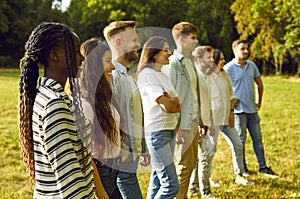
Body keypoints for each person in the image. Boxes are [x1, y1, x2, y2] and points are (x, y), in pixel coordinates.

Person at [18, 22, 96, 198]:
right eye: (75, 51)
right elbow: (71, 183)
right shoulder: (54, 105)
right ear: (54, 55)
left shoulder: (53, 96)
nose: (82, 59)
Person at [162, 22, 216, 199]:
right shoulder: (174, 64)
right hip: (182, 124)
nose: (196, 41)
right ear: (181, 39)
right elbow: (174, 96)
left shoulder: (189, 63)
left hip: (192, 121)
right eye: (193, 38)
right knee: (185, 167)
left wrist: (200, 119)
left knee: (191, 163)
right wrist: (178, 128)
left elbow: (193, 94)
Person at [103, 20, 150, 199]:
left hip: (131, 154)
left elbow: (135, 114)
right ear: (118, 42)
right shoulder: (111, 77)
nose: (138, 44)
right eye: (133, 40)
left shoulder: (127, 75)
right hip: (121, 159)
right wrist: (124, 152)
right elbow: (109, 120)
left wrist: (142, 147)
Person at [224, 39, 278, 178]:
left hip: (252, 111)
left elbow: (259, 83)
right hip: (238, 112)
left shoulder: (252, 65)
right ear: (235, 50)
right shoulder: (228, 68)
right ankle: (242, 169)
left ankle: (263, 167)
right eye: (242, 49)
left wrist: (259, 101)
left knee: (258, 140)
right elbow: (221, 87)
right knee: (239, 141)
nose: (246, 51)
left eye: (247, 49)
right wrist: (228, 101)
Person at [201, 47, 254, 186]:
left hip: (226, 118)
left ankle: (240, 174)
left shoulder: (225, 75)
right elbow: (205, 101)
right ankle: (207, 178)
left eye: (224, 59)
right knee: (211, 150)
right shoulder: (206, 77)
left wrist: (231, 114)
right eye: (221, 59)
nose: (223, 62)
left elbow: (231, 95)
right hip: (213, 121)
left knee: (238, 144)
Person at [78, 38, 124, 198]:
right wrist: (101, 193)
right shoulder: (85, 104)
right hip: (101, 172)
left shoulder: (104, 97)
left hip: (112, 170)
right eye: (107, 61)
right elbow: (84, 154)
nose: (112, 66)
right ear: (94, 66)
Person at [136, 36, 180, 199]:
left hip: (169, 130)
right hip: (158, 133)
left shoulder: (162, 75)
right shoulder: (147, 75)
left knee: (157, 180)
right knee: (170, 186)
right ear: (154, 53)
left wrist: (174, 103)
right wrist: (175, 103)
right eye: (166, 50)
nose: (170, 53)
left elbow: (176, 104)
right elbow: (168, 106)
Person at [187, 46, 217, 199]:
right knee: (204, 156)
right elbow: (194, 102)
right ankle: (205, 191)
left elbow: (207, 103)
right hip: (198, 125)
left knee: (199, 157)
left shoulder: (205, 76)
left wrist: (210, 121)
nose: (212, 60)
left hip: (204, 123)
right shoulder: (196, 77)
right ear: (199, 60)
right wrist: (202, 123)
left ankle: (194, 187)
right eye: (209, 57)